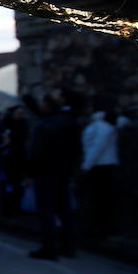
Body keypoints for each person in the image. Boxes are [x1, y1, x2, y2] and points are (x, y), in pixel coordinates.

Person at [26, 90, 81, 260]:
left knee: (47, 210)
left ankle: (49, 247)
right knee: (64, 208)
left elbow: (37, 153)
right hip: (63, 170)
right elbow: (77, 149)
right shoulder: (69, 122)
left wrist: (30, 173)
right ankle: (68, 245)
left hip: (46, 172)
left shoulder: (44, 126)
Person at [80, 104, 121, 240]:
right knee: (102, 198)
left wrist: (87, 164)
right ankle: (101, 227)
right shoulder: (104, 125)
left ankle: (100, 228)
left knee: (100, 198)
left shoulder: (101, 126)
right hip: (102, 165)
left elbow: (97, 146)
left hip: (100, 166)